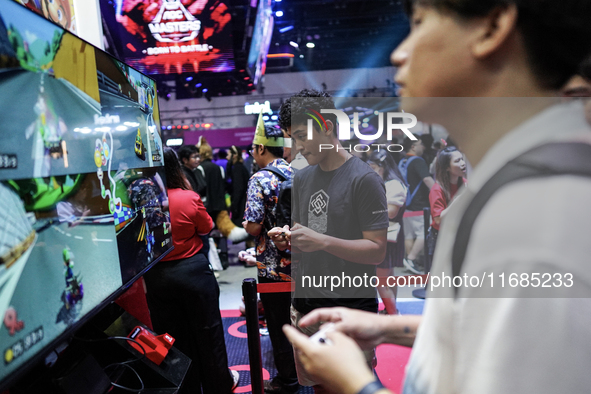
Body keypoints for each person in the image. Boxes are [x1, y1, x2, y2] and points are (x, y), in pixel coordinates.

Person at [282, 1, 591, 394]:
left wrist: (356, 384)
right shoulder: (512, 187)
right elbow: (483, 325)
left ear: (492, 25)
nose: (399, 52)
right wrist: (389, 327)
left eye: (419, 23)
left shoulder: (532, 216)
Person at [275, 89, 389, 393]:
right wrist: (288, 239)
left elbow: (377, 251)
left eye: (301, 136)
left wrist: (323, 241)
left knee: (355, 385)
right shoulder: (301, 178)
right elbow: (306, 235)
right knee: (320, 387)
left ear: (326, 126)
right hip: (306, 305)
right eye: (292, 139)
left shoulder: (364, 179)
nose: (297, 148)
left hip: (348, 309)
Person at [143, 148, 238, 394]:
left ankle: (186, 388)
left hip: (157, 278)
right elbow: (206, 228)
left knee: (172, 338)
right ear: (177, 167)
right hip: (193, 274)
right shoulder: (187, 197)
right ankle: (219, 385)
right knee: (209, 334)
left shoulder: (143, 201)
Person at [243, 114, 299, 394]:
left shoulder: (259, 179)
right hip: (305, 260)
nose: (252, 154)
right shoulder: (297, 171)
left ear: (261, 148)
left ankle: (287, 380)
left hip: (274, 268)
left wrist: (245, 224)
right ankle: (310, 373)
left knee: (279, 325)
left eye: (253, 149)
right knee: (303, 319)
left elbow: (254, 227)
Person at [367, 150, 407, 315]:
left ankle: (392, 315)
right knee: (388, 278)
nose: (371, 171)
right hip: (386, 235)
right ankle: (392, 311)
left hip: (387, 236)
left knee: (382, 281)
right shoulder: (388, 182)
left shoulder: (393, 185)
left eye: (374, 167)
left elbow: (391, 212)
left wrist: (366, 209)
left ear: (383, 166)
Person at [399, 137, 434, 274]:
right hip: (420, 205)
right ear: (413, 146)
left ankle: (410, 261)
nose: (423, 147)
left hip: (406, 205)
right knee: (425, 232)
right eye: (421, 144)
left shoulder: (403, 161)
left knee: (409, 235)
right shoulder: (418, 161)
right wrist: (440, 194)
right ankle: (411, 258)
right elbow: (427, 179)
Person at [427, 146, 466, 261]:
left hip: (459, 235)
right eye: (457, 161)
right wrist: (456, 200)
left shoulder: (465, 184)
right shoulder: (437, 189)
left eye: (462, 159)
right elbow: (438, 219)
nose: (463, 163)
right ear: (447, 167)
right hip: (441, 238)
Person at [227, 145, 250, 227]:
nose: (227, 157)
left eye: (228, 154)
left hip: (240, 206)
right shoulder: (240, 167)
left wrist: (235, 206)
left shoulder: (237, 169)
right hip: (243, 203)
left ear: (234, 155)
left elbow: (238, 189)